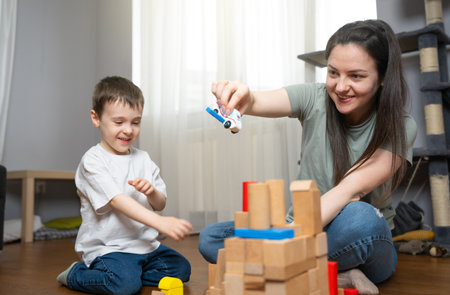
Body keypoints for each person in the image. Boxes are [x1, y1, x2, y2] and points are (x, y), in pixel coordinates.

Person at [198, 19, 417, 294]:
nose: (340, 86)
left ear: (383, 78)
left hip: (357, 236)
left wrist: (283, 242)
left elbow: (350, 189)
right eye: (333, 73)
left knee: (361, 219)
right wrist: (242, 97)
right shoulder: (314, 98)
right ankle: (334, 275)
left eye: (356, 76)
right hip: (303, 231)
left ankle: (281, 270)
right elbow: (256, 101)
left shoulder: (401, 125)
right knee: (211, 238)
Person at [57, 76, 193, 295]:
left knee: (181, 269)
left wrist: (152, 192)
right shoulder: (93, 161)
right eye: (119, 122)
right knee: (124, 285)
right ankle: (76, 274)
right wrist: (160, 223)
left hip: (145, 246)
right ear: (96, 118)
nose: (128, 130)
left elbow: (160, 203)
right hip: (109, 248)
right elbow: (117, 200)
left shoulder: (144, 158)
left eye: (135, 122)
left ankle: (133, 273)